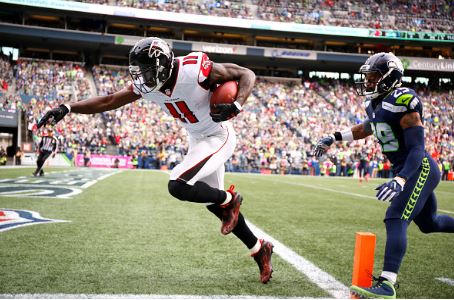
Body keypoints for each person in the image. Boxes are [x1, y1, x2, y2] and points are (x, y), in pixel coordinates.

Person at [37, 37, 273, 284]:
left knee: (179, 185)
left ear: (163, 66)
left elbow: (246, 74)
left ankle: (230, 198)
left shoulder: (194, 69)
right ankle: (259, 249)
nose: (142, 80)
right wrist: (67, 108)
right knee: (216, 206)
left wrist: (237, 104)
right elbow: (108, 101)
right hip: (198, 139)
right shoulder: (148, 86)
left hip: (219, 134)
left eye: (147, 73)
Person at [313, 52, 454, 298]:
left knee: (395, 216)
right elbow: (370, 126)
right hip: (409, 169)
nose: (367, 82)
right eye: (367, 77)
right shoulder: (375, 103)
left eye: (373, 77)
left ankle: (387, 284)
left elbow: (418, 149)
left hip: (418, 167)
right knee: (428, 224)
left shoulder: (404, 100)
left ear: (390, 77)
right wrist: (335, 137)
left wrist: (401, 179)